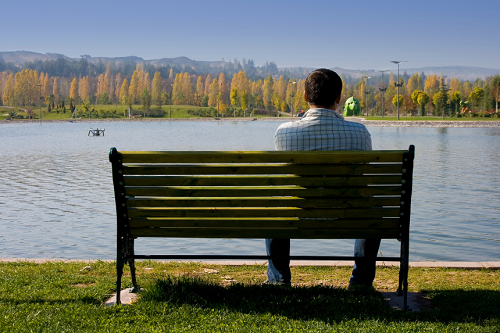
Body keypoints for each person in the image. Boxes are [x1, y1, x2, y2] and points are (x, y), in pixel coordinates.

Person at [267, 68, 380, 288]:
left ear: (305, 97)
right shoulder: (360, 132)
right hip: (349, 216)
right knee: (371, 210)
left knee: (277, 208)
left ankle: (279, 280)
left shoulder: (284, 132)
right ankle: (360, 282)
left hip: (297, 215)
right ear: (339, 98)